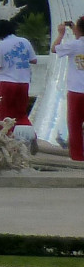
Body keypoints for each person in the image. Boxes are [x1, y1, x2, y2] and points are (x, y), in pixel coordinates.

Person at [0, 17, 37, 128]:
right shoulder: (25, 42)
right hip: (24, 82)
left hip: (6, 82)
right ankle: (28, 137)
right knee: (21, 114)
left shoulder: (0, 45)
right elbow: (34, 60)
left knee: (4, 115)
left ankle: (6, 139)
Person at [51, 17, 84, 161]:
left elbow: (54, 49)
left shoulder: (74, 45)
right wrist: (75, 30)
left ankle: (77, 156)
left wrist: (60, 34)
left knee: (75, 124)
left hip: (76, 91)